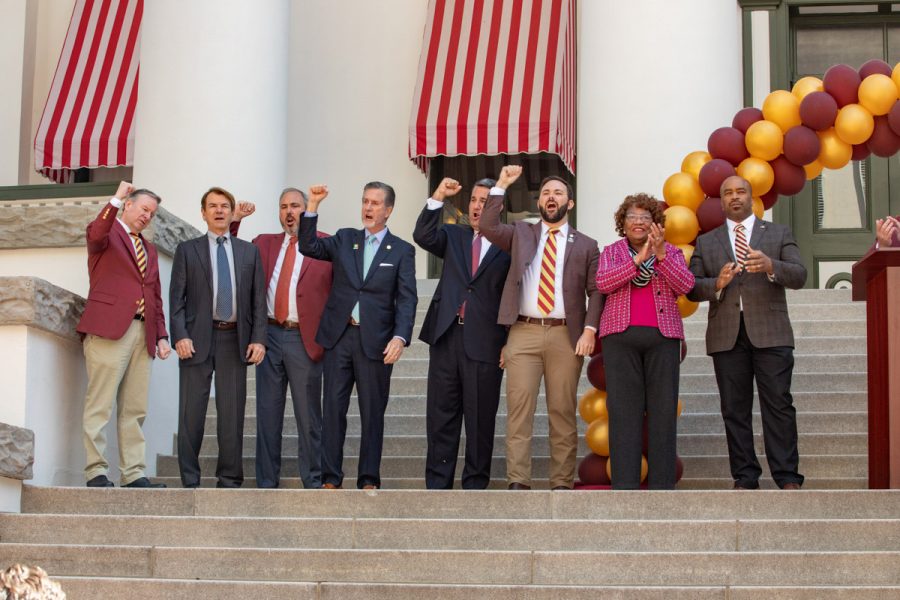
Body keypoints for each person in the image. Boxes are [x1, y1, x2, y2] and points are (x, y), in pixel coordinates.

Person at [480, 166, 602, 490]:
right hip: (523, 332)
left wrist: (590, 330)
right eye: (546, 193)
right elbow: (488, 225)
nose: (551, 198)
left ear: (569, 203)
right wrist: (502, 184)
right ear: (540, 203)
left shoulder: (587, 245)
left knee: (561, 412)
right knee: (519, 412)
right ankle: (518, 482)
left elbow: (596, 290)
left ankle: (561, 483)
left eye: (558, 193)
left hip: (566, 334)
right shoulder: (521, 233)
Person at [688, 175, 807, 490]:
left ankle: (787, 476)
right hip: (727, 334)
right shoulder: (707, 240)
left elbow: (799, 275)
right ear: (722, 201)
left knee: (778, 404)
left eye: (740, 191)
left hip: (771, 332)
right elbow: (690, 287)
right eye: (727, 193)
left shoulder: (778, 233)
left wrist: (770, 265)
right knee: (734, 408)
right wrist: (716, 284)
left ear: (752, 198)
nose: (734, 197)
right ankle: (745, 475)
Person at [298, 182, 417, 489]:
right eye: (365, 201)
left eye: (376, 203)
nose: (368, 208)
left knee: (372, 413)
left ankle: (368, 478)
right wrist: (312, 205)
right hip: (339, 338)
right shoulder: (344, 239)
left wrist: (400, 338)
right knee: (333, 411)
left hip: (376, 343)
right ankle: (330, 477)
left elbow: (406, 298)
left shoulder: (402, 251)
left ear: (388, 210)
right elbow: (308, 246)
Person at [229, 189, 333, 489]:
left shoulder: (327, 244)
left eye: (296, 206)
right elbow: (232, 255)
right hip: (269, 336)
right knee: (267, 414)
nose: (289, 212)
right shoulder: (264, 243)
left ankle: (312, 479)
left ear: (307, 209)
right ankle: (266, 481)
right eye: (284, 207)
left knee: (308, 416)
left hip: (305, 338)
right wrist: (235, 221)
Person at [413, 176, 511, 489]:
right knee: (440, 416)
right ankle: (438, 484)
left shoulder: (509, 245)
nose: (477, 206)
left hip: (485, 341)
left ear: (498, 207)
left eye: (485, 201)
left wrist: (509, 341)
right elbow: (423, 235)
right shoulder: (454, 235)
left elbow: (514, 295)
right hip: (446, 337)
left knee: (480, 419)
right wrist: (439, 195)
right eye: (474, 200)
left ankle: (475, 485)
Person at [169, 186, 267, 488]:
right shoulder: (188, 250)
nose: (220, 210)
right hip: (196, 339)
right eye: (213, 206)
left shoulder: (249, 251)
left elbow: (258, 301)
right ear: (203, 212)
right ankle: (189, 478)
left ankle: (230, 479)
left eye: (225, 206)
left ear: (230, 211)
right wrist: (180, 336)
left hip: (234, 340)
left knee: (231, 413)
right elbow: (176, 300)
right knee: (191, 413)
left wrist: (259, 338)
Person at [595, 194, 694, 489]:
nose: (638, 223)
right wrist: (638, 261)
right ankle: (625, 484)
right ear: (623, 224)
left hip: (662, 337)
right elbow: (604, 283)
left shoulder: (672, 252)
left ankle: (662, 485)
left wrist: (660, 256)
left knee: (663, 412)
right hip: (619, 337)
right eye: (632, 218)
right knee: (624, 412)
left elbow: (686, 285)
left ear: (656, 224)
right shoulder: (612, 252)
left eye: (645, 218)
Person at [77, 181, 170, 489]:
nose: (148, 216)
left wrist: (161, 335)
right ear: (128, 205)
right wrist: (115, 198)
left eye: (152, 214)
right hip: (109, 329)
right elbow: (96, 233)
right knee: (100, 403)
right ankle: (96, 471)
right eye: (144, 209)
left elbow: (155, 294)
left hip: (144, 333)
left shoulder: (149, 248)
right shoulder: (106, 233)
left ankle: (133, 474)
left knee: (134, 408)